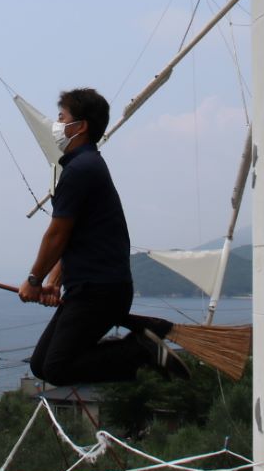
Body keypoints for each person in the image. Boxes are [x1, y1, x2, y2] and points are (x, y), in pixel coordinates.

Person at [20, 87, 184, 385]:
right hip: (95, 288)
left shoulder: (81, 169)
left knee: (57, 368)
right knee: (41, 365)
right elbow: (75, 236)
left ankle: (140, 350)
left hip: (99, 291)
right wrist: (54, 282)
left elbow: (56, 235)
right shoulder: (86, 166)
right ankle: (140, 347)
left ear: (80, 126)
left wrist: (34, 281)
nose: (57, 125)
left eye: (62, 118)